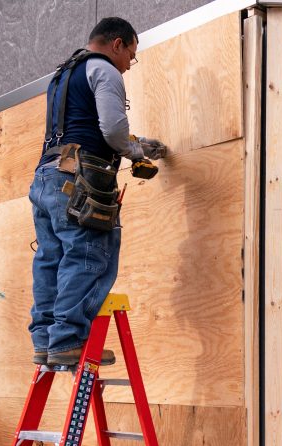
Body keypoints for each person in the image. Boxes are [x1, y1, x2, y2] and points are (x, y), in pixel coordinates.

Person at [28, 17, 168, 367]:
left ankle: (46, 341)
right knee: (89, 254)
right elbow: (113, 129)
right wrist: (133, 151)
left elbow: (86, 125)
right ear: (117, 44)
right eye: (130, 55)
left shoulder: (63, 75)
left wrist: (142, 146)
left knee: (50, 258)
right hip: (81, 178)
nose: (128, 64)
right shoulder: (104, 70)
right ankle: (69, 340)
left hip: (47, 175)